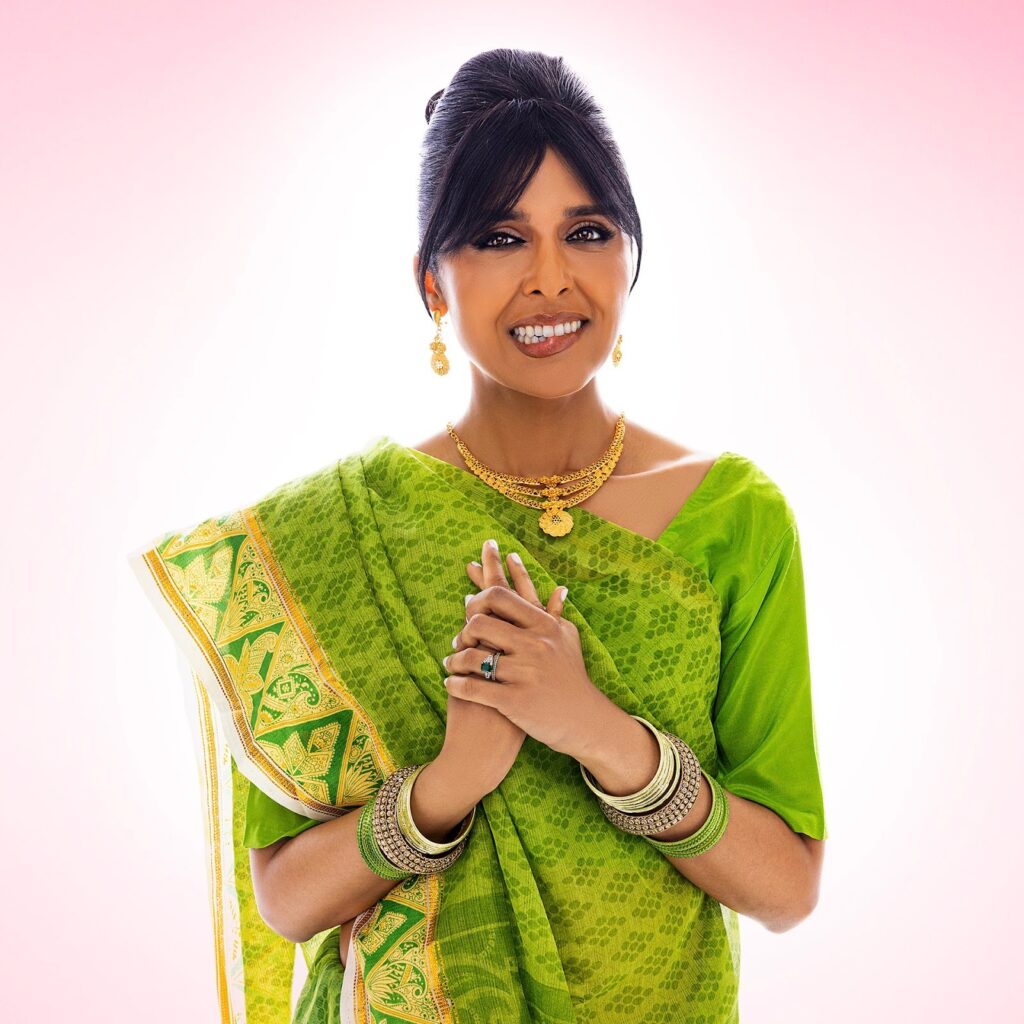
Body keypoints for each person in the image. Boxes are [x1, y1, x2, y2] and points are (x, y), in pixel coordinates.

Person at [129, 47, 827, 1024]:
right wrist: (450, 782)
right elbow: (285, 896)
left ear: (627, 259)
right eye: (500, 237)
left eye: (587, 232)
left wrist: (600, 733)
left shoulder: (734, 517)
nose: (550, 279)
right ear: (432, 283)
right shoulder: (330, 535)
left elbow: (787, 885)